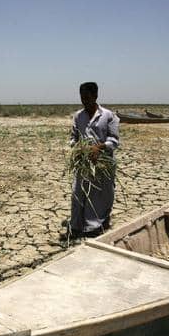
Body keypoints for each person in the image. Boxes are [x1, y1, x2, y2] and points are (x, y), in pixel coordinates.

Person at [64, 82, 120, 239]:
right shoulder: (78, 116)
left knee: (100, 194)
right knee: (78, 192)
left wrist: (99, 147)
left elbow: (114, 140)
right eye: (82, 98)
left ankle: (95, 225)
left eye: (87, 98)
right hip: (84, 163)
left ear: (95, 96)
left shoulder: (108, 116)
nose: (85, 101)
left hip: (102, 162)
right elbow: (73, 138)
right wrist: (79, 148)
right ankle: (76, 225)